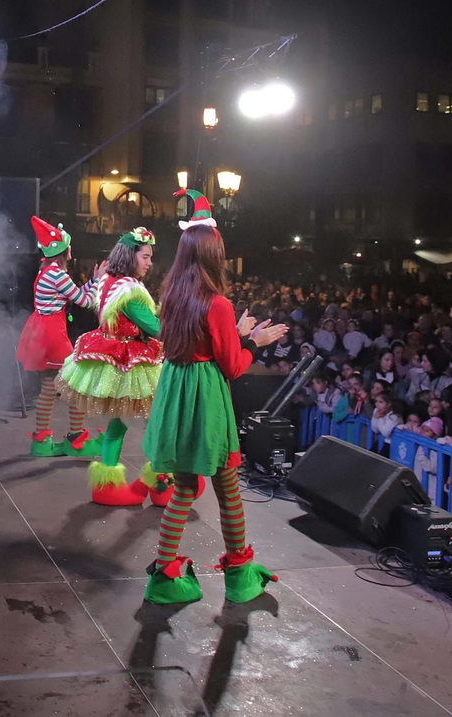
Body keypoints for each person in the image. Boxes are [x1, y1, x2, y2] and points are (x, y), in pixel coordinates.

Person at [142, 195, 287, 606]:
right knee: (215, 484)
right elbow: (233, 366)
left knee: (200, 483)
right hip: (206, 399)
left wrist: (236, 333)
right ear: (214, 255)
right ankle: (234, 575)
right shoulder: (218, 303)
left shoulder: (172, 296)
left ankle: (171, 573)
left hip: (177, 390)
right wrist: (254, 343)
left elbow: (198, 343)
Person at [57, 227, 166, 505]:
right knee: (157, 420)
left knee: (119, 423)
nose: (150, 262)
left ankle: (106, 484)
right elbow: (156, 329)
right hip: (130, 360)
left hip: (115, 354)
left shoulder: (110, 281)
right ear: (131, 256)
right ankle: (163, 480)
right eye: (146, 256)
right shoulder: (130, 291)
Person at [15, 216, 99, 458]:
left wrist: (93, 281)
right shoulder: (57, 274)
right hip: (52, 333)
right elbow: (84, 300)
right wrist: (99, 281)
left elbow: (74, 294)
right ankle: (76, 439)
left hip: (45, 330)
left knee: (49, 388)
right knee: (75, 385)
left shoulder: (49, 271)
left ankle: (42, 440)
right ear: (64, 250)